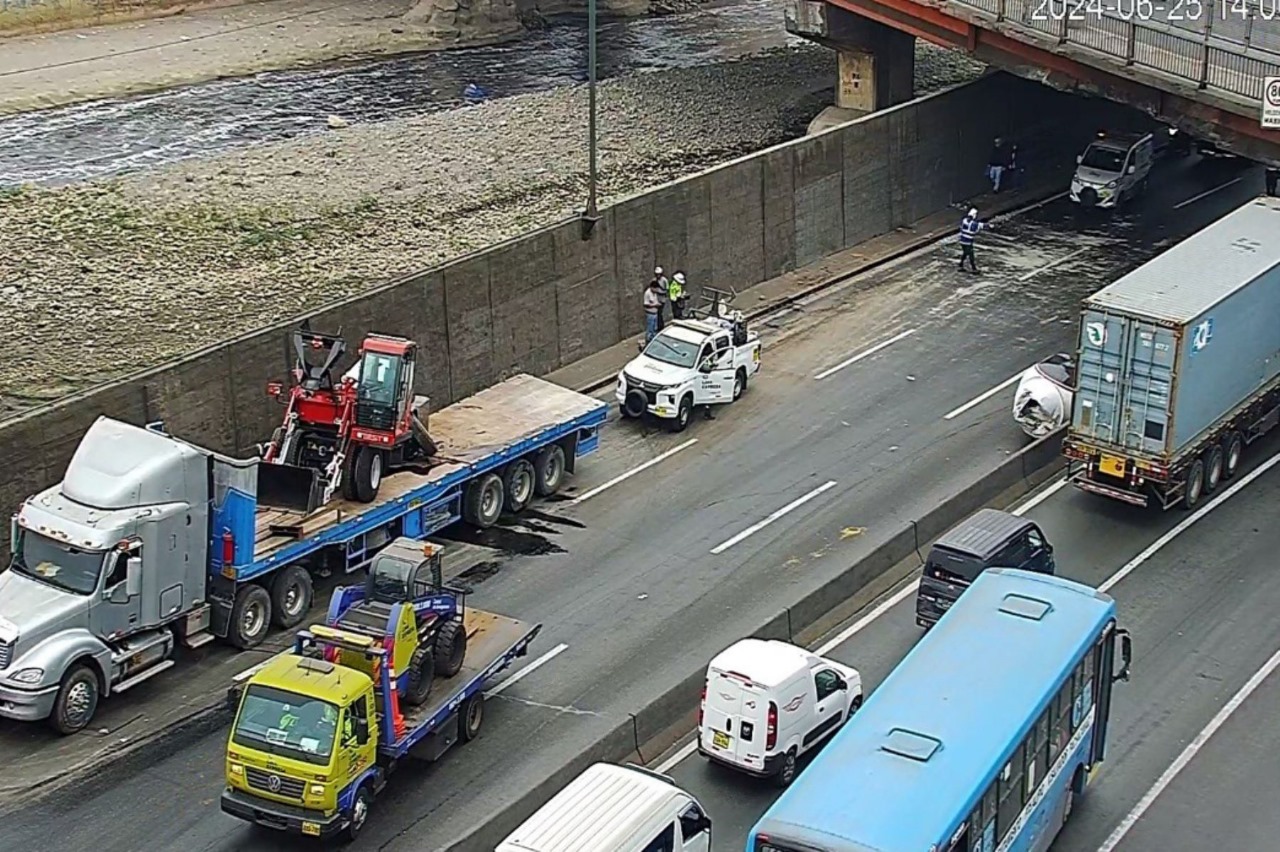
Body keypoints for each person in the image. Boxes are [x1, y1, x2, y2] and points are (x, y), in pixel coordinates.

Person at [958, 207, 984, 274]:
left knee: (965, 253)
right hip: (968, 242)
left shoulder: (964, 220)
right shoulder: (974, 224)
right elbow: (977, 228)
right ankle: (973, 268)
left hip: (962, 240)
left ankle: (961, 264)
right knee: (971, 255)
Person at [653, 266, 669, 330]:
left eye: (659, 274)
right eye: (657, 274)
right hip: (655, 299)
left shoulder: (664, 280)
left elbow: (667, 290)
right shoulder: (654, 280)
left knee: (659, 313)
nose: (658, 276)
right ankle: (658, 326)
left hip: (661, 300)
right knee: (656, 314)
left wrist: (660, 292)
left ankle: (661, 326)